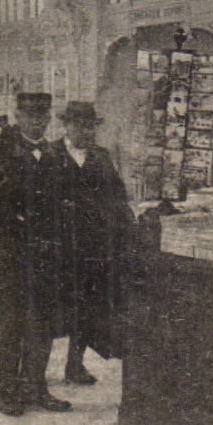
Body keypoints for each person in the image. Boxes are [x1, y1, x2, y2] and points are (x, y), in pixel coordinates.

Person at [0, 92, 72, 417]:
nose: (36, 123)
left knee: (43, 323)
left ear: (49, 119)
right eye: (30, 117)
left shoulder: (55, 153)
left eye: (42, 117)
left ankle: (36, 387)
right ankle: (8, 392)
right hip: (12, 253)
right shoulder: (0, 153)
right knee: (13, 324)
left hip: (47, 253)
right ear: (17, 117)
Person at [48, 100, 134, 386]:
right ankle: (33, 374)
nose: (88, 132)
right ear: (67, 126)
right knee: (53, 309)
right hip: (59, 247)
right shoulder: (50, 155)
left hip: (93, 247)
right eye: (82, 126)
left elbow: (118, 197)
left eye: (92, 127)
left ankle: (75, 364)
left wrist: (128, 228)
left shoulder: (101, 156)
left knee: (86, 307)